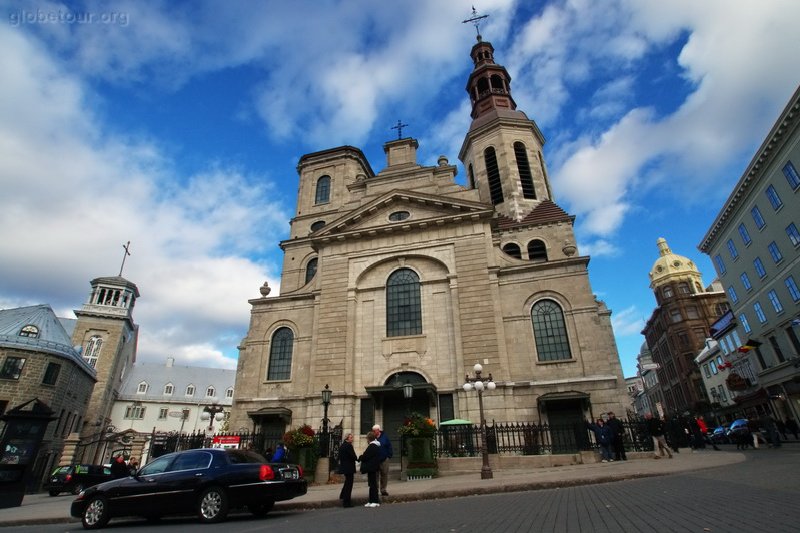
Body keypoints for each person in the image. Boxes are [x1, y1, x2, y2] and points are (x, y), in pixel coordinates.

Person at [358, 431, 382, 508]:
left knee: (373, 485)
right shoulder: (375, 446)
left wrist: (360, 457)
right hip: (372, 468)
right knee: (371, 484)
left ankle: (375, 501)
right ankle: (371, 500)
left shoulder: (372, 446)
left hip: (373, 468)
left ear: (369, 439)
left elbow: (365, 456)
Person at [372, 423, 393, 497]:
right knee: (376, 476)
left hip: (384, 459)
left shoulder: (384, 437)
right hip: (376, 460)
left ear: (378, 430)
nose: (373, 432)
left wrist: (389, 456)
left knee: (384, 475)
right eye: (373, 431)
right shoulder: (373, 438)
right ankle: (376, 490)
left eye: (374, 431)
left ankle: (383, 490)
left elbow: (389, 446)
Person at [337, 433, 357, 508]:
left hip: (345, 467)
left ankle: (342, 495)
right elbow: (353, 456)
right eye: (351, 438)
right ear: (347, 438)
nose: (352, 439)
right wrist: (357, 459)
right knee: (349, 484)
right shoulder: (349, 446)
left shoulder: (342, 445)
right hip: (349, 467)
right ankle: (346, 502)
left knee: (347, 482)